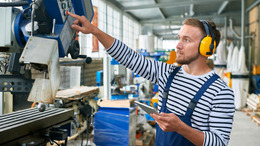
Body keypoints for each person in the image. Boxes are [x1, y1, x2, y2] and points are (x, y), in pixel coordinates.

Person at [68, 12, 235, 146]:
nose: (178, 45)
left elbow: (219, 142)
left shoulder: (221, 92)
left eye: (187, 40)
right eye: (179, 38)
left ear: (206, 47)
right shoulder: (167, 73)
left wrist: (181, 128)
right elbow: (130, 57)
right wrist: (94, 31)